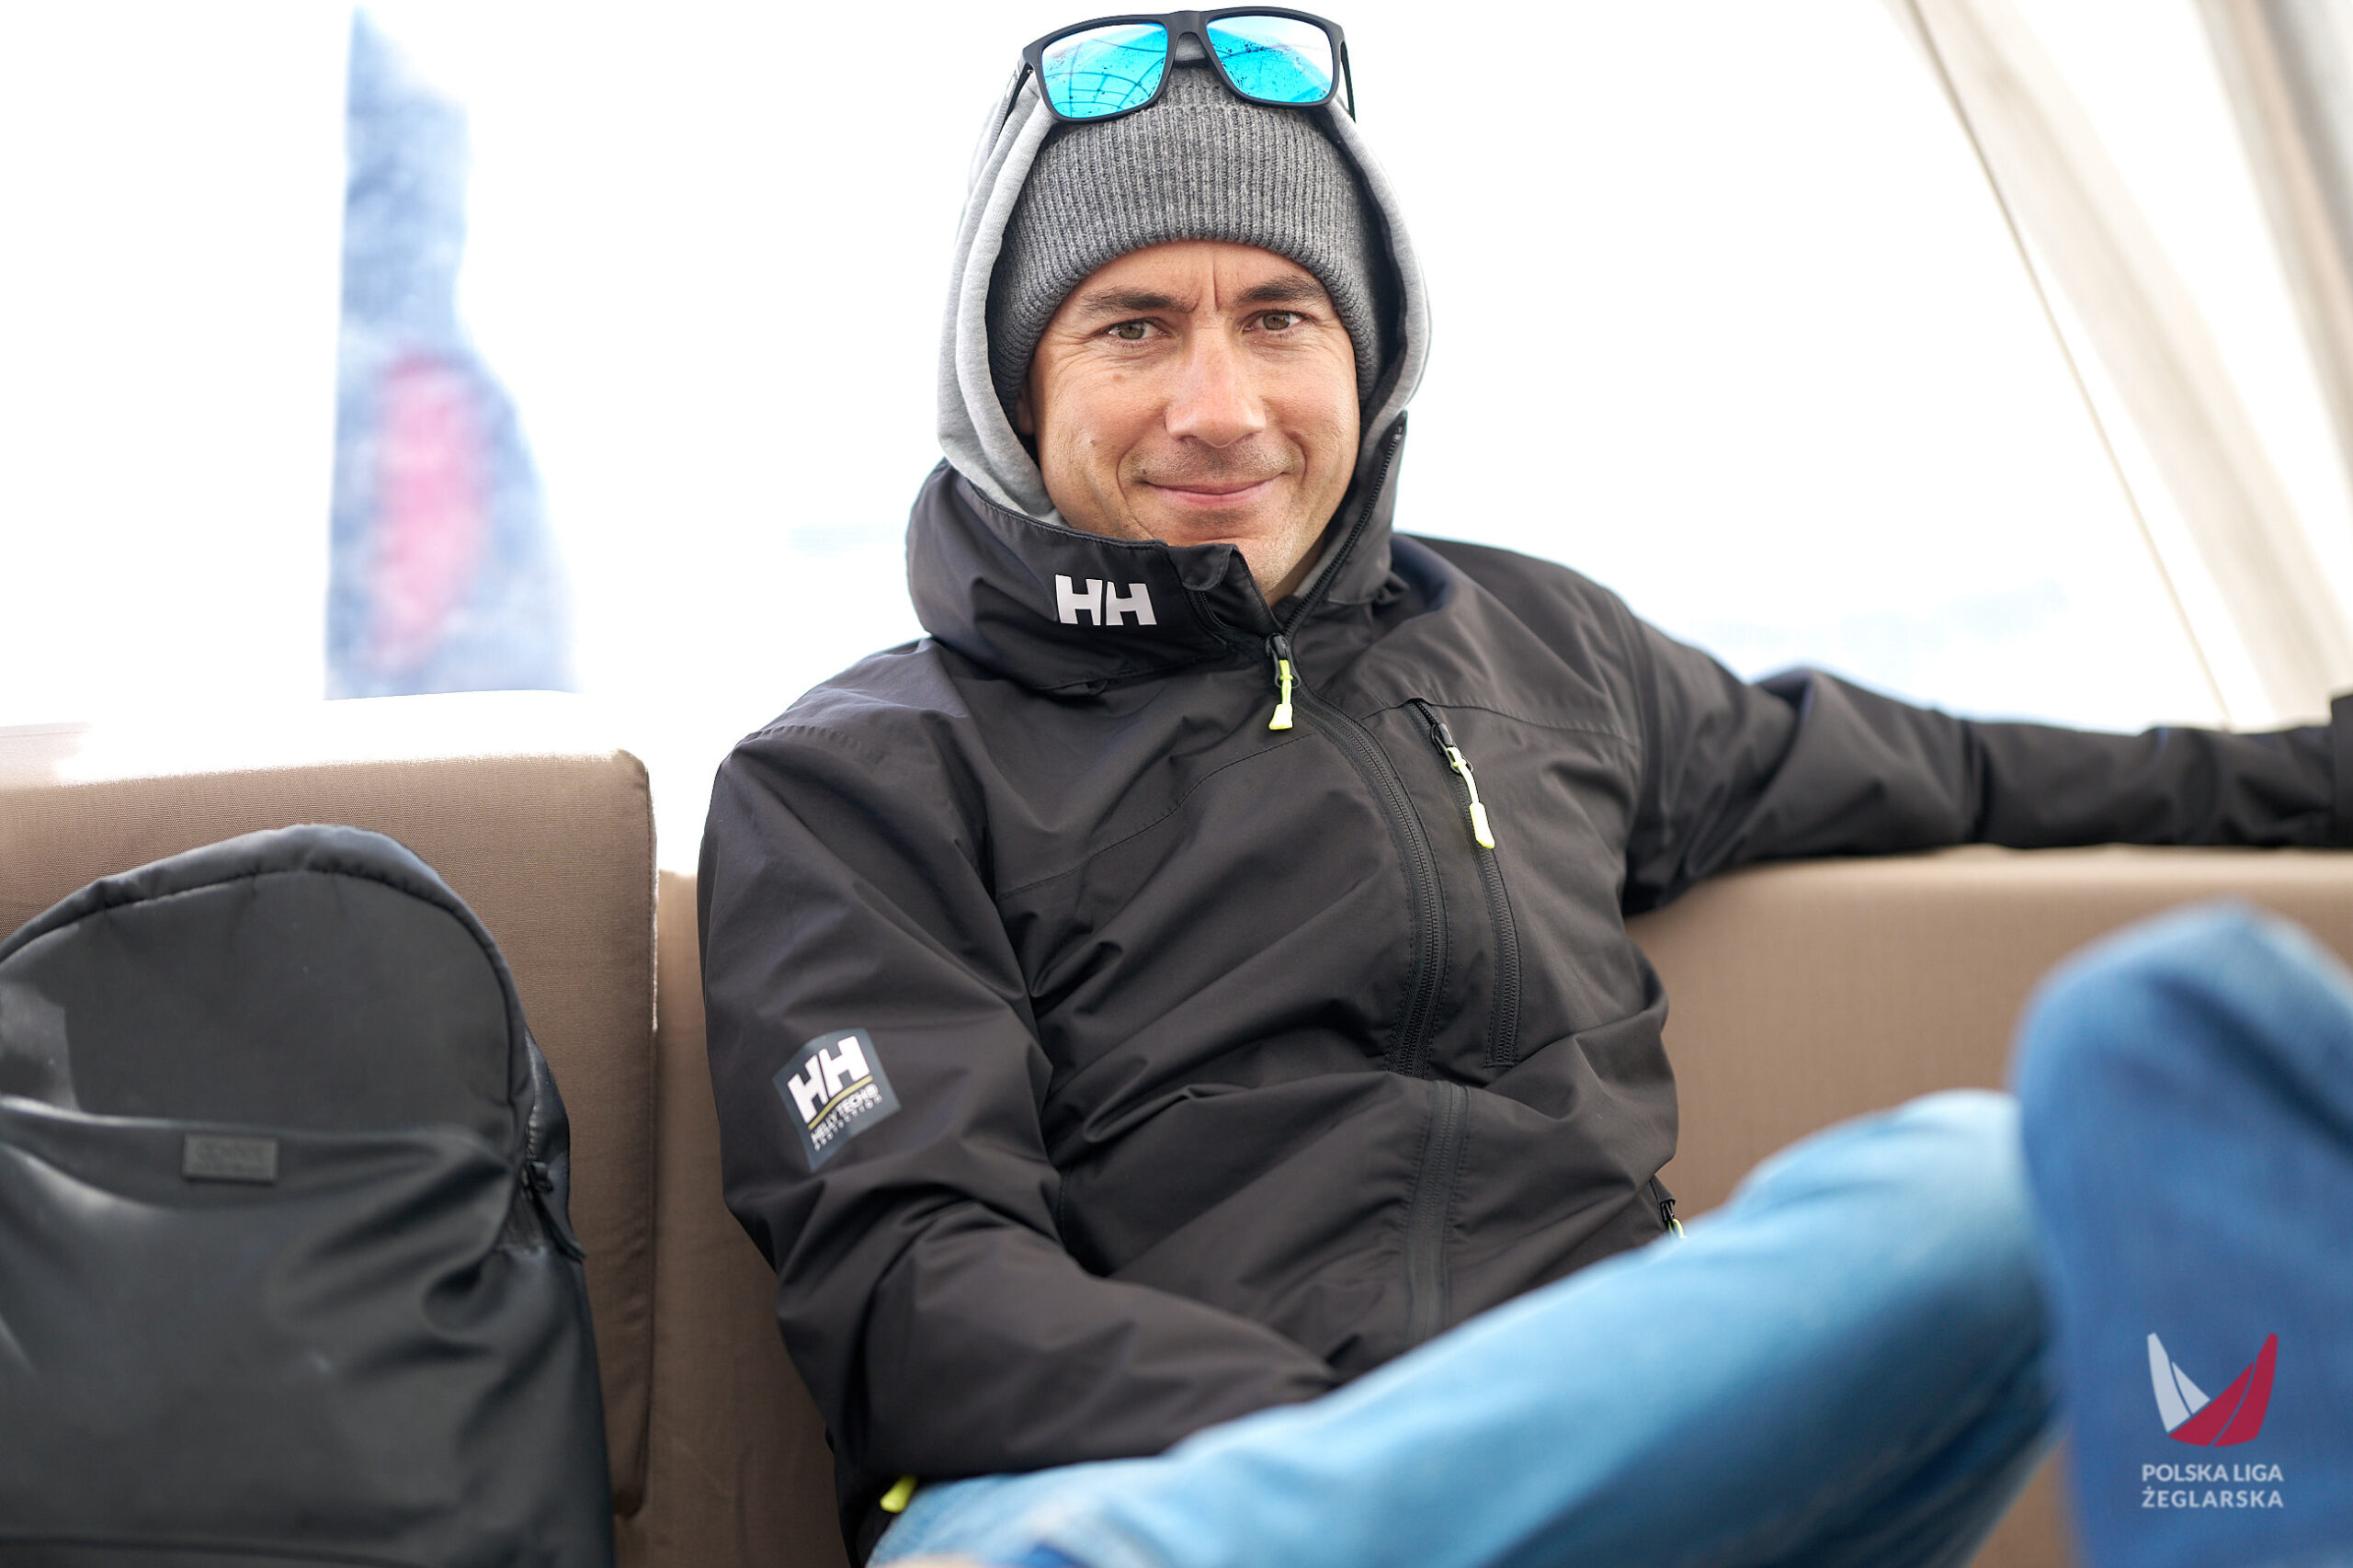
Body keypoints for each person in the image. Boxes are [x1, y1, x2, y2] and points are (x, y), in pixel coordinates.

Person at [698, 14, 2350, 1567]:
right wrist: (1383, 1452)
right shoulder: (855, 781)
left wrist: (2318, 773)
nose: (1222, 409)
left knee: (1998, 1181)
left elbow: (1960, 771)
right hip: (1140, 1506)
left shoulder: (1543, 655)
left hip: (1593, 1462)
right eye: (1133, 328)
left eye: (1281, 318)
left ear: (1371, 358)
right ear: (1015, 385)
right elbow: (924, 1296)